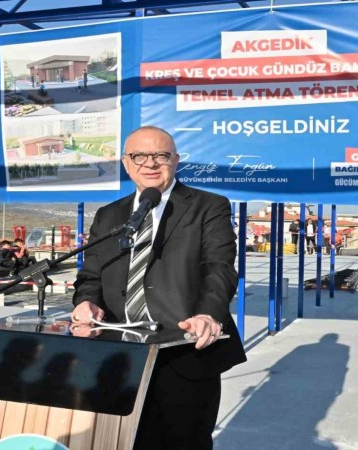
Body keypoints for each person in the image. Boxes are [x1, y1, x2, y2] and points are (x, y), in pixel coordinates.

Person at [71, 126, 246, 449]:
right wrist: (86, 301)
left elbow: (218, 267)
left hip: (184, 351)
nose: (150, 163)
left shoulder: (209, 205)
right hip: (119, 354)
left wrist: (208, 314)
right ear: (126, 163)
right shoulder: (109, 215)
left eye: (161, 155)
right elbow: (91, 275)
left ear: (175, 160)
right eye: (139, 156)